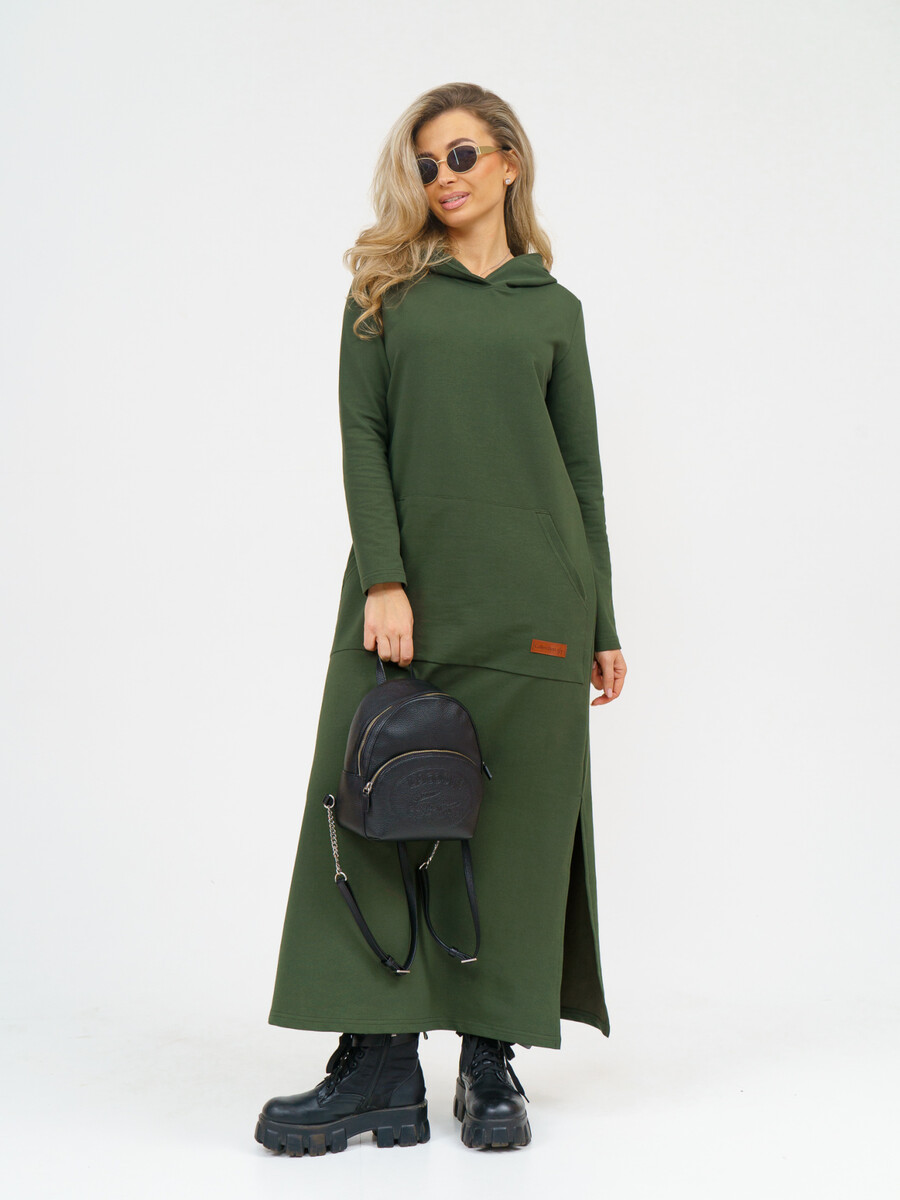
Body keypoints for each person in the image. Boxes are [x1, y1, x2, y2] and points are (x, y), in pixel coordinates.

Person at [254, 81, 627, 1157]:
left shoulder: (553, 309)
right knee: (370, 808)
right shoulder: (386, 292)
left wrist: (602, 620)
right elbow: (363, 436)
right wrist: (385, 577)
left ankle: (489, 1059)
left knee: (513, 833)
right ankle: (377, 1065)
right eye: (426, 164)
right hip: (408, 599)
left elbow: (582, 473)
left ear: (509, 159)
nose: (444, 177)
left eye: (461, 155)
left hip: (536, 608)